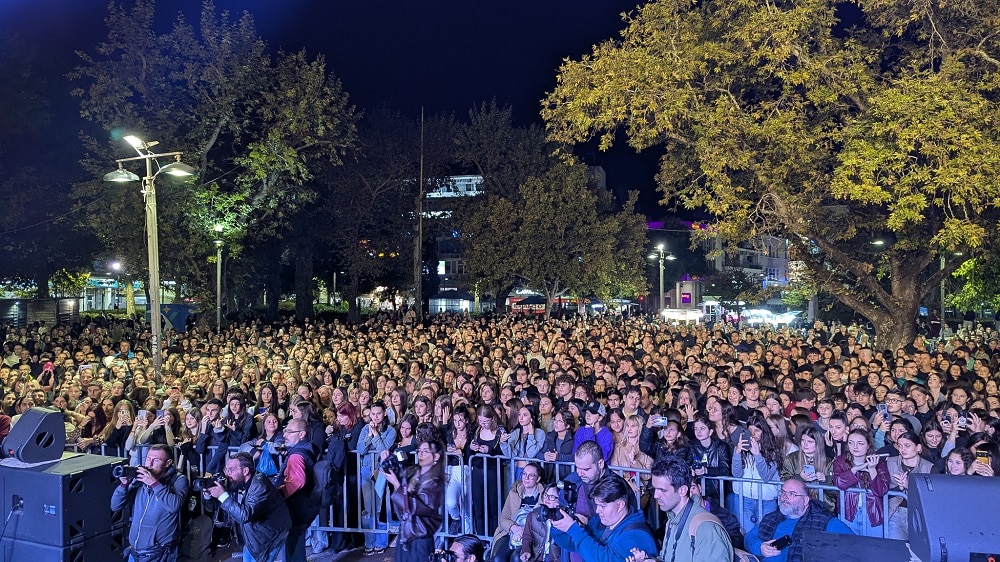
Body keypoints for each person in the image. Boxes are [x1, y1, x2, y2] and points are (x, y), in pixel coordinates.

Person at [625, 457, 733, 562]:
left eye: (662, 490)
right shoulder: (672, 519)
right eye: (655, 489)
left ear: (682, 491)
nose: (656, 495)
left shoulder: (705, 529)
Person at [204, 452, 292, 562]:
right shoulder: (237, 481)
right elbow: (220, 502)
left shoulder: (260, 486)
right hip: (253, 537)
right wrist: (209, 492)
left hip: (268, 537)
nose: (226, 474)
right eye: (226, 470)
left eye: (231, 470)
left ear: (245, 471)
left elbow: (245, 515)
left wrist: (222, 495)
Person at [110, 444, 190, 562]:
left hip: (159, 554)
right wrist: (124, 485)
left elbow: (174, 506)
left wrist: (154, 483)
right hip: (134, 552)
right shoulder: (140, 480)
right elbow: (115, 506)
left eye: (156, 460)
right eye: (148, 459)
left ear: (168, 463)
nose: (149, 464)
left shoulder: (179, 480)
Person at [550, 474, 657, 562]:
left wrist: (573, 528)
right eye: (597, 505)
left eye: (603, 506)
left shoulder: (637, 535)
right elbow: (571, 544)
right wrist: (558, 524)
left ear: (620, 505)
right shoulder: (600, 523)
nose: (597, 511)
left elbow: (604, 558)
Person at [744, 477, 852, 562]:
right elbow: (749, 537)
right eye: (783, 492)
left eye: (792, 494)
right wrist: (760, 547)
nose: (785, 497)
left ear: (805, 500)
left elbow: (853, 545)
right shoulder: (771, 518)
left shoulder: (825, 521)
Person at [385, 435, 446, 562]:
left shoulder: (435, 483)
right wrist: (387, 459)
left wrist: (397, 485)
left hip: (420, 535)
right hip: (405, 532)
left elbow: (417, 507)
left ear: (436, 457)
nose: (421, 454)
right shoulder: (413, 471)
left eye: (426, 451)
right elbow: (395, 474)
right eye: (419, 451)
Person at [832, 429, 890, 537]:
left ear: (868, 445)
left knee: (874, 547)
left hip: (872, 513)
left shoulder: (879, 464)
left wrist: (872, 469)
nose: (855, 447)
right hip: (848, 512)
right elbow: (838, 482)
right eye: (851, 442)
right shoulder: (840, 461)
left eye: (860, 443)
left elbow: (881, 490)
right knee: (849, 546)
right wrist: (854, 470)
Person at [278, 418, 320, 562]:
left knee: (293, 545)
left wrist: (279, 495)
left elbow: (297, 481)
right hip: (305, 505)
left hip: (296, 507)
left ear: (301, 434)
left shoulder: (296, 455)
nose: (285, 435)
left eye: (289, 431)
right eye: (285, 431)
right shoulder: (308, 448)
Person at [490, 462, 546, 562]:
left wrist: (525, 532)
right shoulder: (514, 493)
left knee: (516, 558)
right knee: (497, 558)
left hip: (532, 535)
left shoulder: (544, 495)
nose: (526, 478)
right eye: (524, 474)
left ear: (538, 479)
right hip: (512, 532)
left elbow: (544, 523)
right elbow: (503, 518)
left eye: (531, 475)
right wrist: (513, 528)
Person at [519, 484, 562, 562]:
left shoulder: (564, 519)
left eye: (552, 497)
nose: (547, 499)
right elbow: (527, 537)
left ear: (559, 500)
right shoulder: (533, 515)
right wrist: (526, 551)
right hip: (537, 557)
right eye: (545, 495)